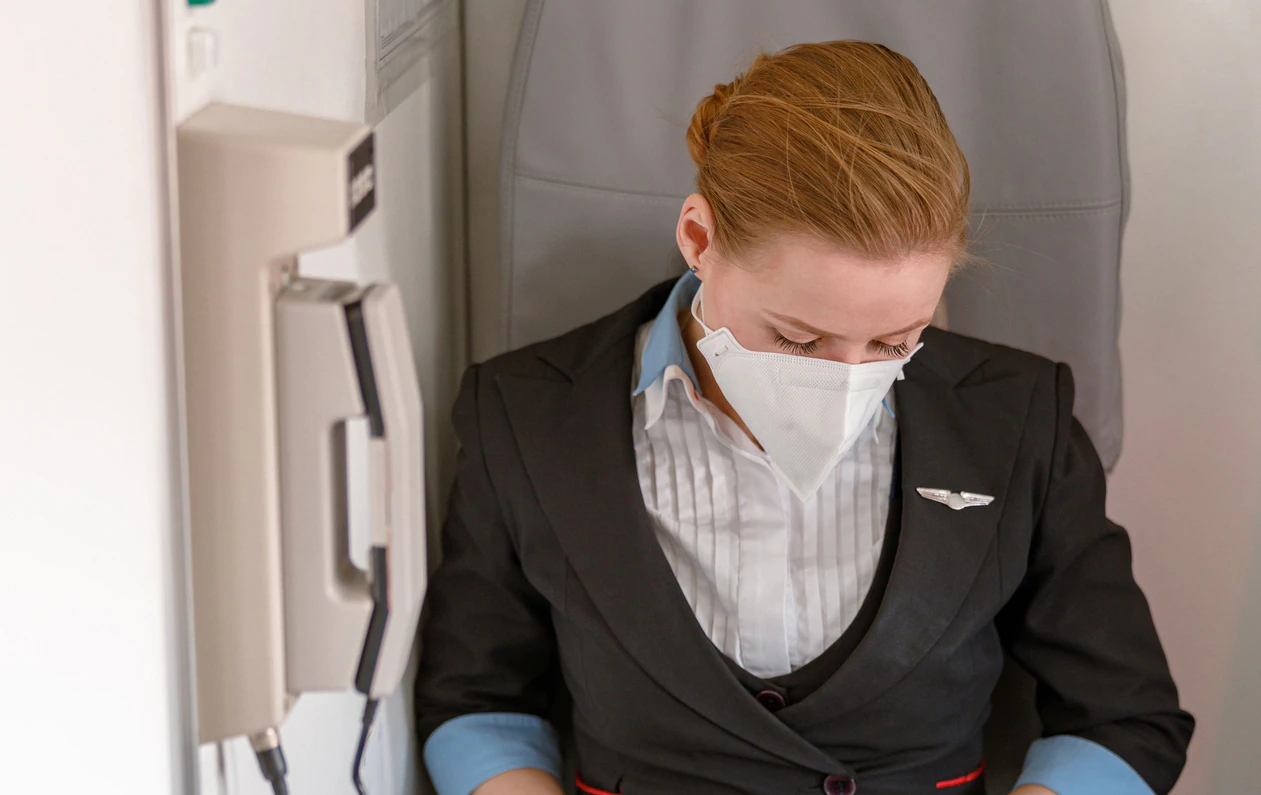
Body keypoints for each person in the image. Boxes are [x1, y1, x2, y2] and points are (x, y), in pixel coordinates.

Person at [414, 40, 1192, 795]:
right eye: (796, 337)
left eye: (894, 341)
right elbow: (477, 702)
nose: (848, 382)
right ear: (698, 238)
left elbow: (1125, 718)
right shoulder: (527, 414)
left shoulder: (1018, 419)